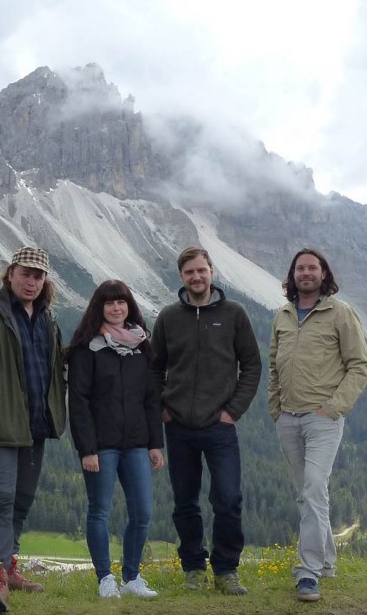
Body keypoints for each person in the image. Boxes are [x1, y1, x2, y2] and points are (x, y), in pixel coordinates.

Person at [0, 246, 66, 612]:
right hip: (2, 426)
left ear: (44, 281)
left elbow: (56, 368)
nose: (31, 281)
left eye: (38, 276)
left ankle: (10, 566)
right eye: (25, 274)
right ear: (10, 274)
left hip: (36, 426)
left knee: (21, 500)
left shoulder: (48, 319)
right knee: (2, 498)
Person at [150, 246, 261, 595]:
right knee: (185, 501)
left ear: (212, 271)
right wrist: (164, 408)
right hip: (178, 425)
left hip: (220, 425)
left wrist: (233, 411)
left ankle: (226, 570)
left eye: (201, 270)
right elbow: (154, 368)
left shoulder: (234, 313)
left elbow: (252, 365)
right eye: (189, 272)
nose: (196, 277)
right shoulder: (169, 317)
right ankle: (194, 568)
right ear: (181, 277)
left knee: (228, 498)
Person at [268, 248, 367, 603]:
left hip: (322, 419)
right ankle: (326, 561)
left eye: (313, 267)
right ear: (292, 274)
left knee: (313, 487)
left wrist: (334, 408)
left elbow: (360, 364)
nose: (306, 273)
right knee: (307, 492)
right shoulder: (282, 315)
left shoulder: (340, 313)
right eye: (300, 268)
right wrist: (275, 407)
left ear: (324, 274)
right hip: (288, 418)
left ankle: (307, 573)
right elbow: (273, 364)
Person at [67, 280, 165, 599]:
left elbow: (151, 399)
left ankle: (132, 578)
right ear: (99, 307)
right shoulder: (87, 348)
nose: (116, 308)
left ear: (129, 306)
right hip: (101, 446)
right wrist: (87, 449)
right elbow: (79, 401)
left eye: (121, 302)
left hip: (137, 443)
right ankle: (105, 578)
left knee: (142, 512)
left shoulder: (141, 347)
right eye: (109, 303)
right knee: (100, 511)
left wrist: (155, 444)